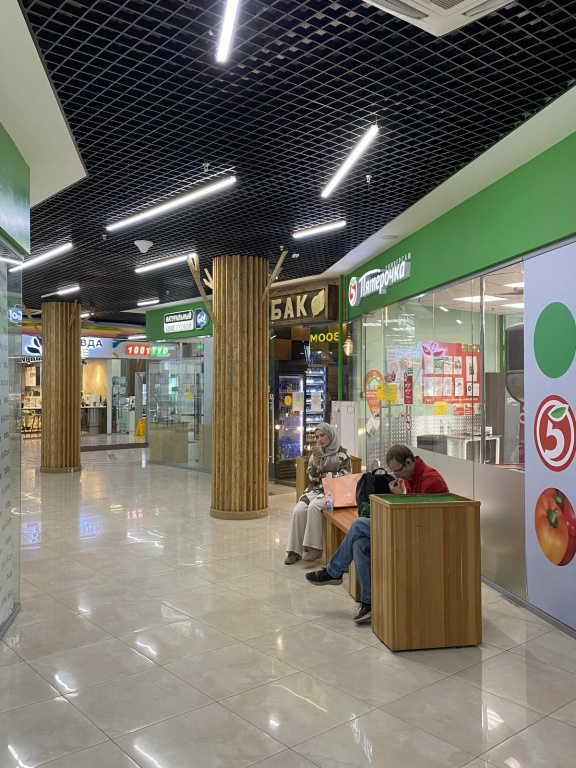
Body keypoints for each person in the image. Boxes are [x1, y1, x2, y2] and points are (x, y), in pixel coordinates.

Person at [306, 444, 449, 623]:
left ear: (409, 461)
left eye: (397, 471)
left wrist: (400, 500)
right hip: (410, 530)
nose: (396, 476)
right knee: (359, 543)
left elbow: (426, 521)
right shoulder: (410, 476)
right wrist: (399, 496)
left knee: (358, 525)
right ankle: (368, 603)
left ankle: (334, 572)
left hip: (423, 538)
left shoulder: (430, 480)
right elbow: (410, 512)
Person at [285, 423, 350, 565]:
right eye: (317, 437)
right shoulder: (316, 454)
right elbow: (312, 478)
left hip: (334, 492)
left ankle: (315, 548)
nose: (320, 439)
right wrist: (315, 464)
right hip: (315, 489)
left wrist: (324, 475)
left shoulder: (342, 453)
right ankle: (294, 550)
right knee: (298, 510)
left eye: (322, 435)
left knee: (314, 507)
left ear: (330, 435)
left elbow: (344, 476)